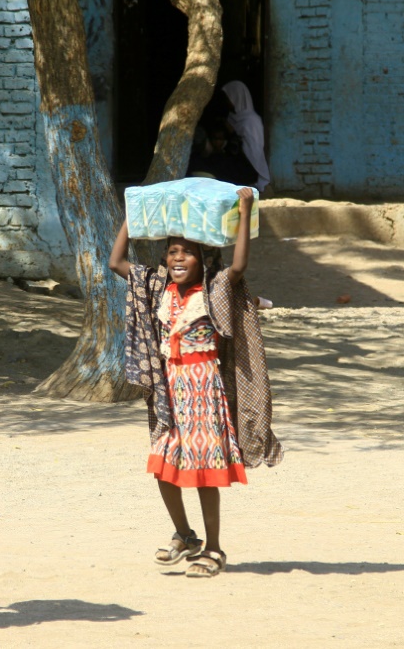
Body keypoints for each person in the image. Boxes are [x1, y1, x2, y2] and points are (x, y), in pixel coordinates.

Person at [109, 187, 283, 578]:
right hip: (170, 390)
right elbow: (116, 261)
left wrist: (244, 208)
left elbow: (238, 265)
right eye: (171, 252)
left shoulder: (214, 290)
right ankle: (185, 535)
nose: (177, 259)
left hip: (204, 390)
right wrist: (132, 214)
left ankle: (215, 549)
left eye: (186, 252)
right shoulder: (157, 287)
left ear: (203, 261)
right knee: (163, 466)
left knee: (205, 472)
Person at [222, 80, 271, 191]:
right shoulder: (231, 118)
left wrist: (234, 134)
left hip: (249, 166)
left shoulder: (251, 121)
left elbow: (255, 151)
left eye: (228, 97)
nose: (226, 101)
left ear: (236, 97)